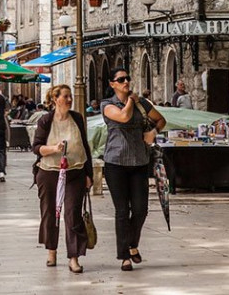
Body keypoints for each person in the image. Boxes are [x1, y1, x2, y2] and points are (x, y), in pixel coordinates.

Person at [102, 67, 166, 272]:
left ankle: (132, 244)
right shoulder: (108, 104)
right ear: (112, 84)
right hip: (116, 163)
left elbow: (161, 119)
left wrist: (153, 132)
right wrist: (132, 100)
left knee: (140, 210)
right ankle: (124, 257)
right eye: (121, 79)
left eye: (127, 78)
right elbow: (122, 117)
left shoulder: (143, 104)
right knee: (122, 211)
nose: (126, 82)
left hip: (139, 162)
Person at [31, 84, 93, 274]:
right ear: (55, 99)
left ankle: (73, 258)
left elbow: (85, 146)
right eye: (65, 96)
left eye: (70, 96)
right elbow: (36, 147)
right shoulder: (45, 120)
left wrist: (89, 174)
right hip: (50, 172)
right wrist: (54, 149)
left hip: (75, 172)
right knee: (50, 213)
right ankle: (52, 251)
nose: (69, 100)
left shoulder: (77, 118)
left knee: (73, 213)